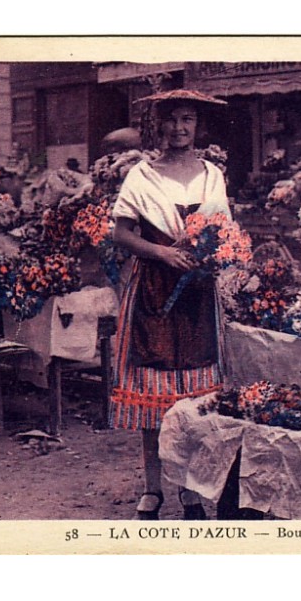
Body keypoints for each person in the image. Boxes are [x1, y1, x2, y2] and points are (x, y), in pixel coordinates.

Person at [109, 89, 230, 520]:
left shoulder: (212, 174)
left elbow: (224, 230)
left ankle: (191, 490)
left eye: (187, 120)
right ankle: (153, 488)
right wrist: (161, 253)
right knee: (153, 391)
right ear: (158, 125)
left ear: (197, 126)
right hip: (154, 292)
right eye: (171, 120)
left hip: (197, 294)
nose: (179, 128)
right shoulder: (142, 176)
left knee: (196, 399)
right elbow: (121, 234)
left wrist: (216, 254)